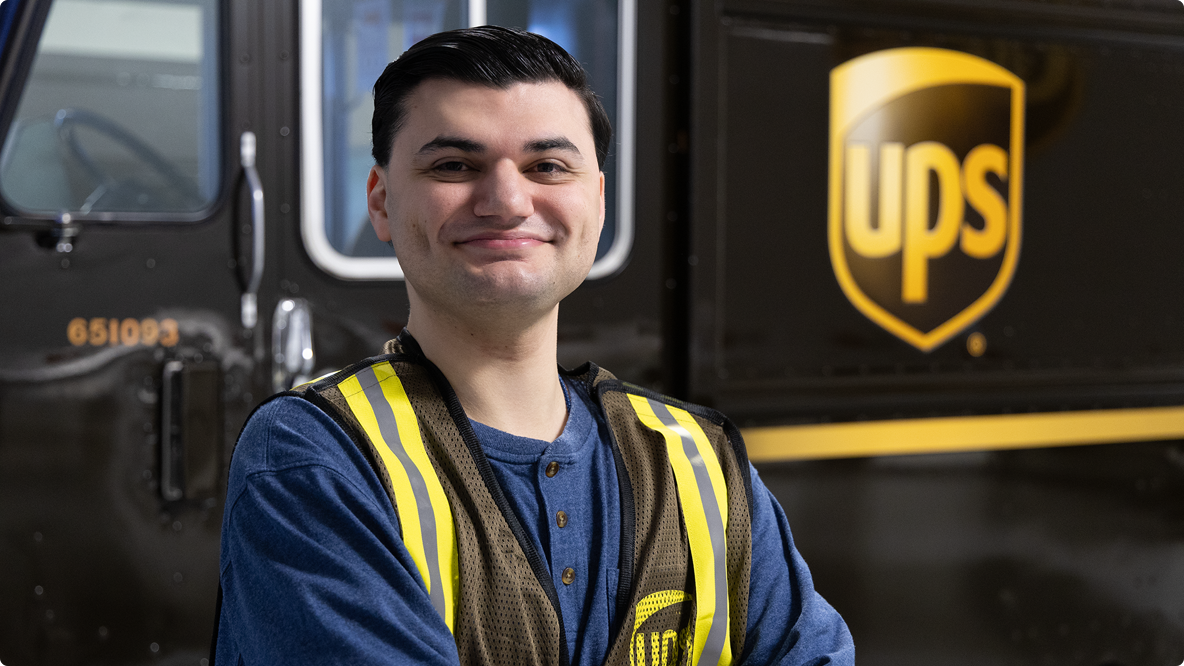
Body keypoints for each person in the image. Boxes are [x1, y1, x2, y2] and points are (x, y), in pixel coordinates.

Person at [214, 26, 854, 666]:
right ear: (381, 202)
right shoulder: (315, 459)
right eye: (453, 166)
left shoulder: (702, 464)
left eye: (547, 166)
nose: (507, 201)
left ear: (596, 203)